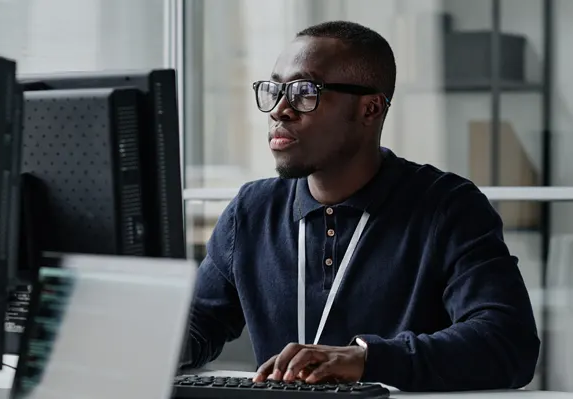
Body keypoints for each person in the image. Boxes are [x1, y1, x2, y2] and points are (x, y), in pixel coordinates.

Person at [180, 20, 540, 392]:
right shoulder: (251, 211)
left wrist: (367, 359)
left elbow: (508, 342)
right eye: (275, 89)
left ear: (370, 109)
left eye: (305, 91)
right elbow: (198, 324)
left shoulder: (447, 207)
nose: (279, 110)